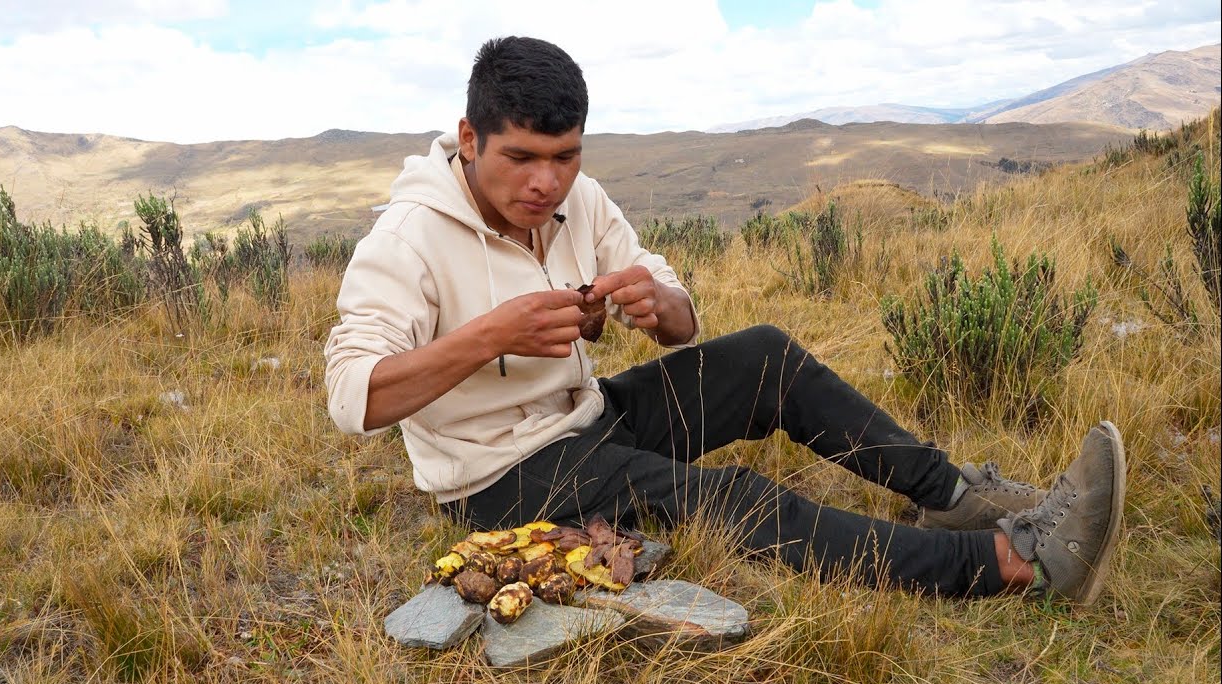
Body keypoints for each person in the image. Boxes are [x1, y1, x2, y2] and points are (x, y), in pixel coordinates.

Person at [325, 36, 1126, 603]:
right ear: (470, 139)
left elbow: (683, 321)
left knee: (765, 357)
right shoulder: (406, 238)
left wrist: (658, 304)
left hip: (590, 420)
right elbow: (352, 397)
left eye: (565, 156)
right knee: (731, 497)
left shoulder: (580, 200)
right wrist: (489, 338)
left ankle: (949, 492)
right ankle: (1017, 563)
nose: (546, 183)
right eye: (522, 158)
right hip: (496, 480)